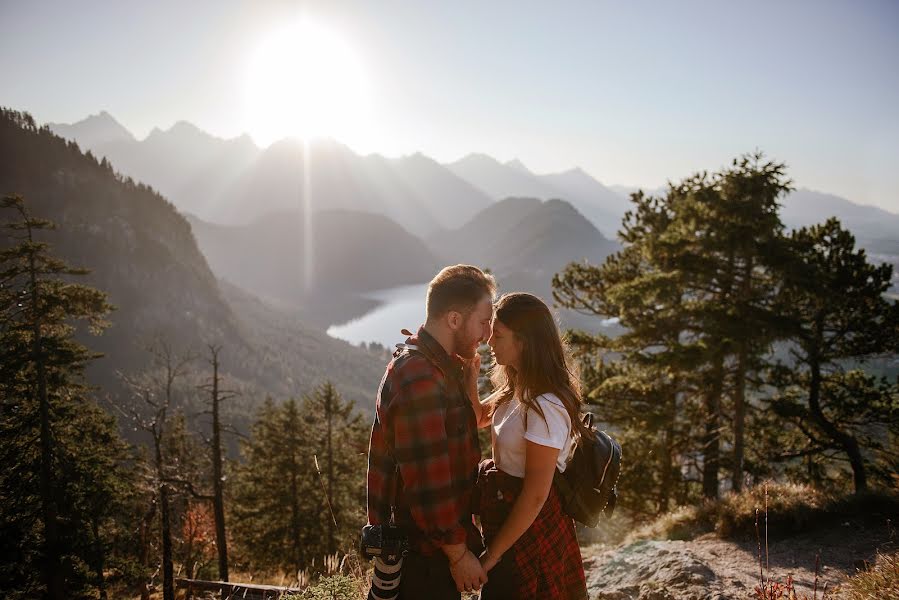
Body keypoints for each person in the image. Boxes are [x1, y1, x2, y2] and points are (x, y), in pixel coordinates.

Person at [366, 265, 497, 598]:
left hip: (425, 550)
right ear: (454, 320)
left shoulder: (432, 365)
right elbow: (429, 483)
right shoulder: (420, 378)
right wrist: (458, 555)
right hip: (423, 559)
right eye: (483, 323)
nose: (487, 335)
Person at [468, 292, 589, 599]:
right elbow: (479, 416)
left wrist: (492, 555)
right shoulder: (517, 387)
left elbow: (536, 495)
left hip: (531, 529)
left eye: (499, 335)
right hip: (508, 519)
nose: (490, 341)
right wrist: (469, 373)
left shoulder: (545, 406)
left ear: (524, 342)